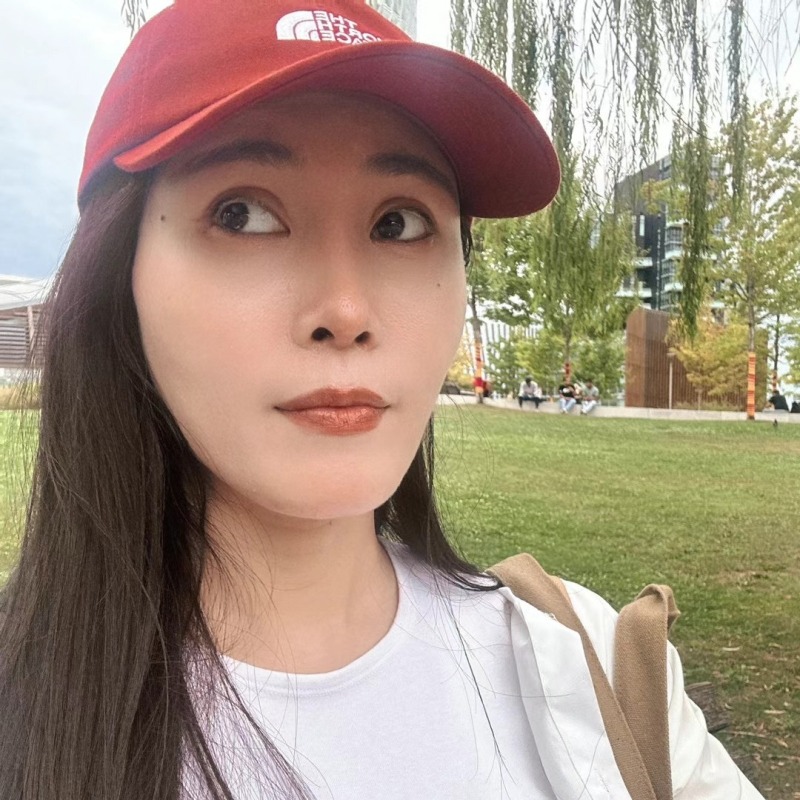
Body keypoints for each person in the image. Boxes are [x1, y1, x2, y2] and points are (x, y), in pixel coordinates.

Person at [0, 2, 761, 799]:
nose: (346, 311)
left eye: (399, 223)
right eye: (243, 215)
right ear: (117, 280)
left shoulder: (598, 671)